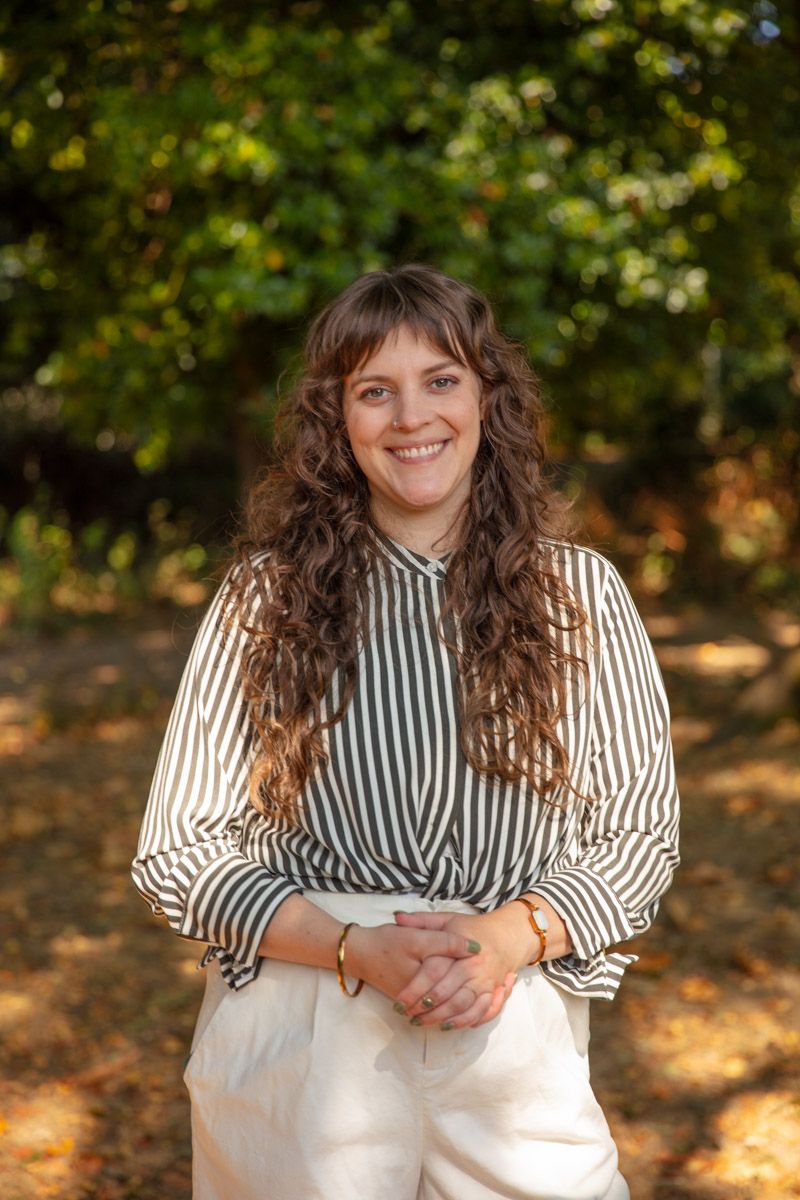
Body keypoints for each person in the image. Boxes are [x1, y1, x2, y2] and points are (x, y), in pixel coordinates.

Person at [132, 263, 679, 1200]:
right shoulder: (263, 601)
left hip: (509, 1021)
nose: (410, 417)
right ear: (336, 421)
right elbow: (178, 851)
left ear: (486, 400)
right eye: (373, 391)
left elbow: (640, 836)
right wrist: (352, 946)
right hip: (304, 1030)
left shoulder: (580, 595)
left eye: (441, 380)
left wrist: (508, 939)